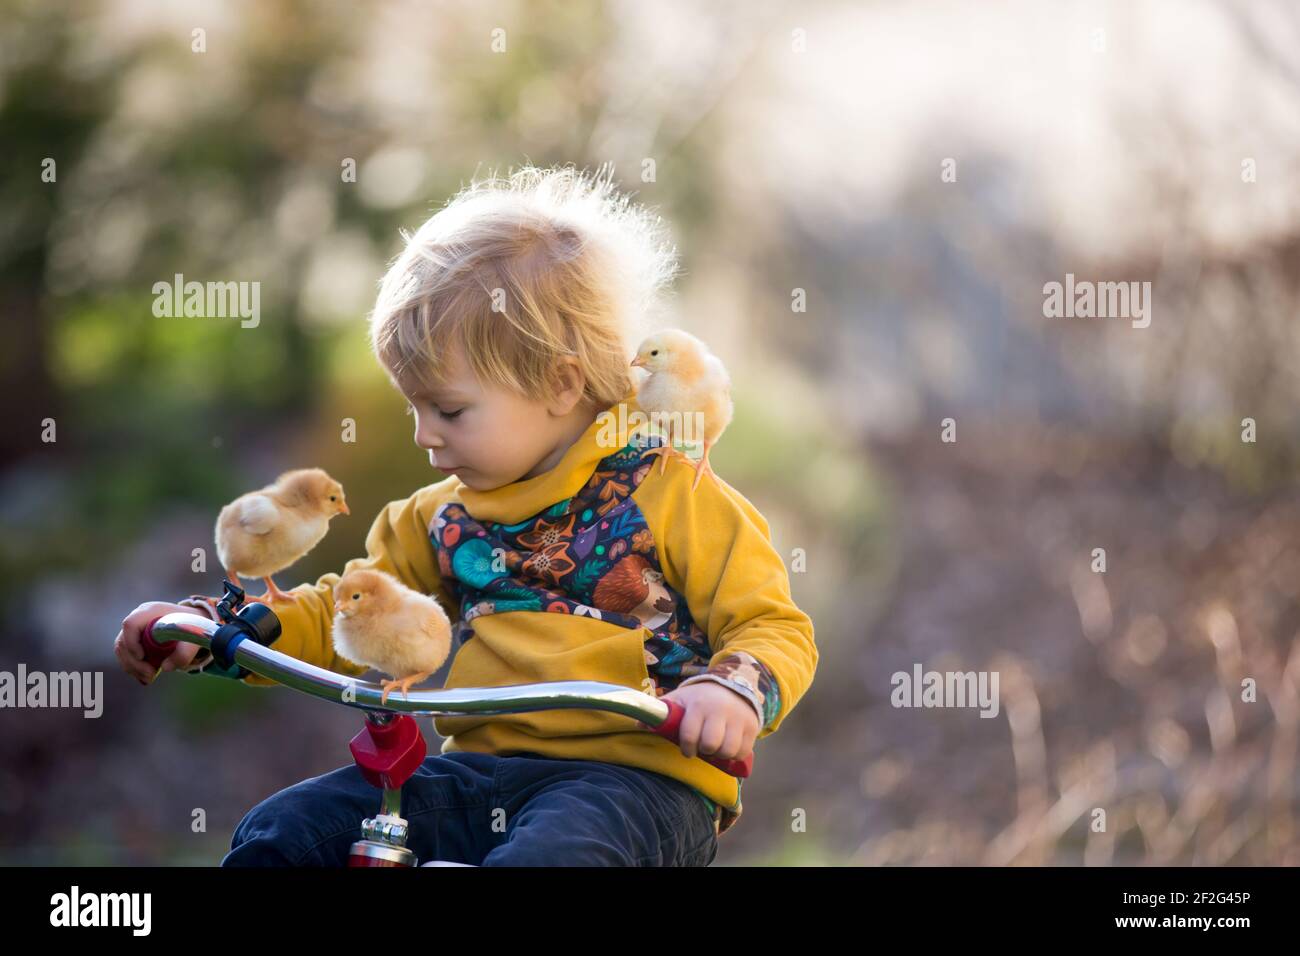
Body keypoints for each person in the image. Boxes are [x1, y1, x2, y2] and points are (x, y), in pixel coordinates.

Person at [114, 165, 817, 866]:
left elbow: (772, 624)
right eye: (413, 407)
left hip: (635, 782)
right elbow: (348, 614)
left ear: (559, 383)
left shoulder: (669, 489)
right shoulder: (435, 519)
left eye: (448, 409)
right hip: (479, 775)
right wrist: (222, 631)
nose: (424, 433)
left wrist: (733, 689)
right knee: (287, 835)